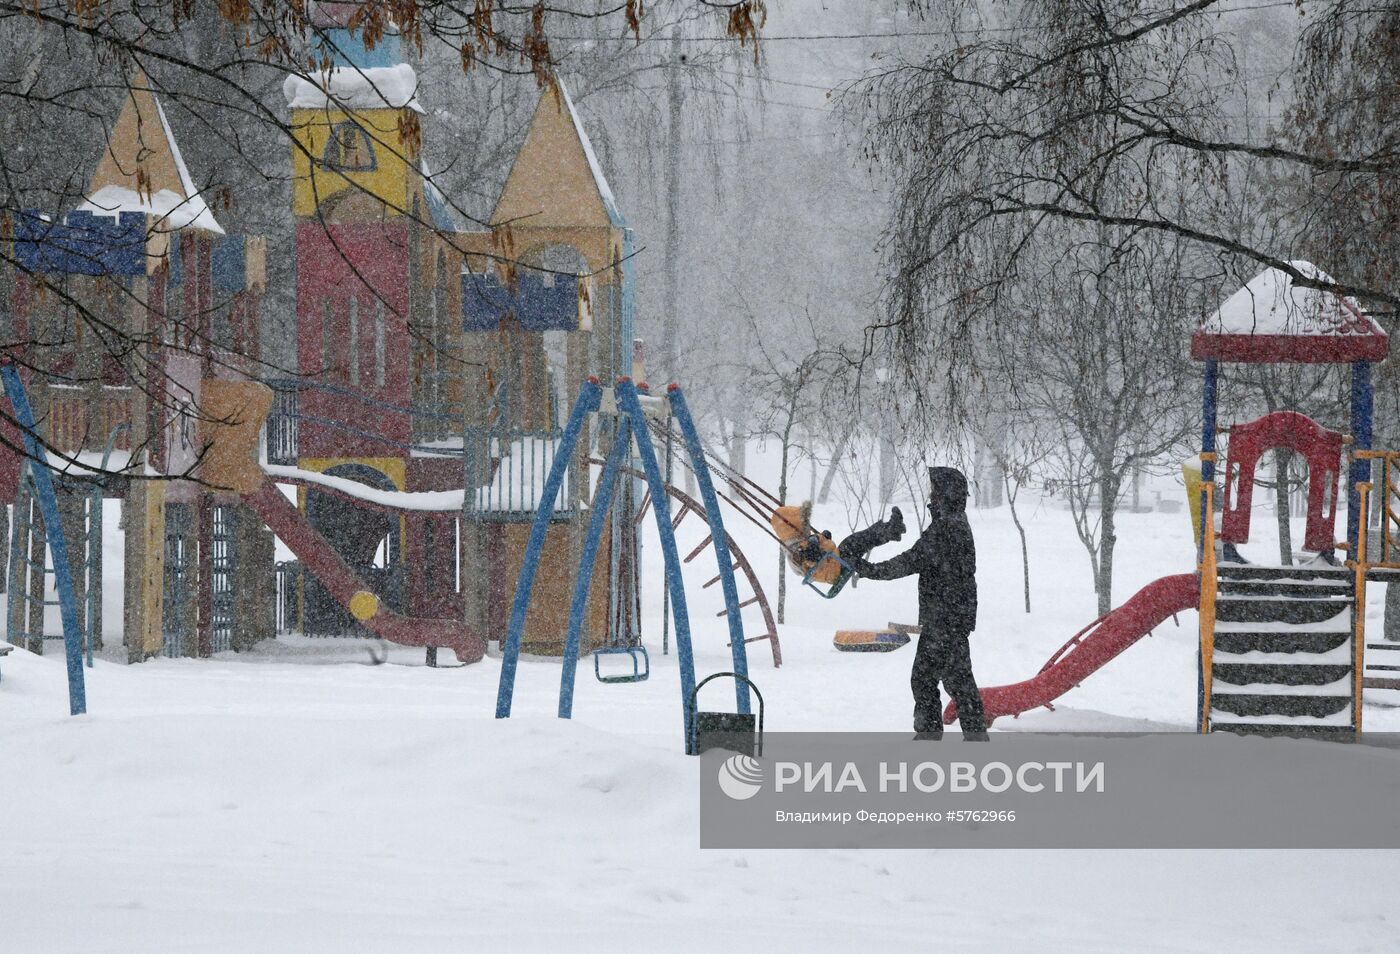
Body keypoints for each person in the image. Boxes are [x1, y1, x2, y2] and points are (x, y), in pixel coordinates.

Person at [842, 467, 988, 741]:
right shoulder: (952, 522)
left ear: (945, 494)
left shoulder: (947, 529)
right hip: (949, 618)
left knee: (933, 680)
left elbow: (909, 561)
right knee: (955, 681)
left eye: (935, 489)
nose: (931, 494)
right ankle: (965, 738)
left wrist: (868, 569)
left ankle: (935, 739)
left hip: (944, 620)